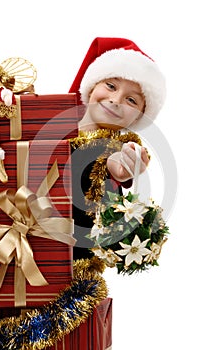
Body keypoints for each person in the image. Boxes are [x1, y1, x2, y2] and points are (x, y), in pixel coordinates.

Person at [68, 37, 166, 260]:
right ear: (92, 86)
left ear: (139, 116)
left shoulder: (115, 153)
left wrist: (113, 167)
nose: (115, 100)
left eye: (131, 100)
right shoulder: (42, 121)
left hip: (70, 278)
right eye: (110, 86)